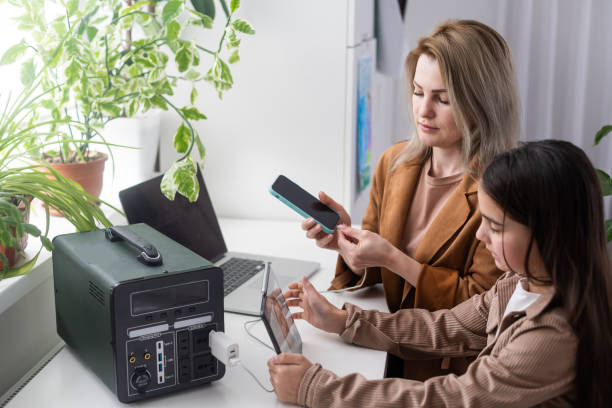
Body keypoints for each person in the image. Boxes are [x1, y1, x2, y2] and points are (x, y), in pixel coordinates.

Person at [269, 140, 612, 407]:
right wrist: (346, 321)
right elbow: (448, 327)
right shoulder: (520, 279)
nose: (481, 235)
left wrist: (316, 387)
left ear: (547, 232)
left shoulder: (551, 336)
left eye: (494, 227)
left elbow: (447, 400)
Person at [302, 19, 520, 379]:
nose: (423, 111)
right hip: (382, 341)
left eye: (443, 99)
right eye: (418, 92)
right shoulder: (395, 162)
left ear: (483, 103)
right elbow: (375, 269)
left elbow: (482, 303)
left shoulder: (502, 192)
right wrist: (346, 242)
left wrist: (394, 258)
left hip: (444, 370)